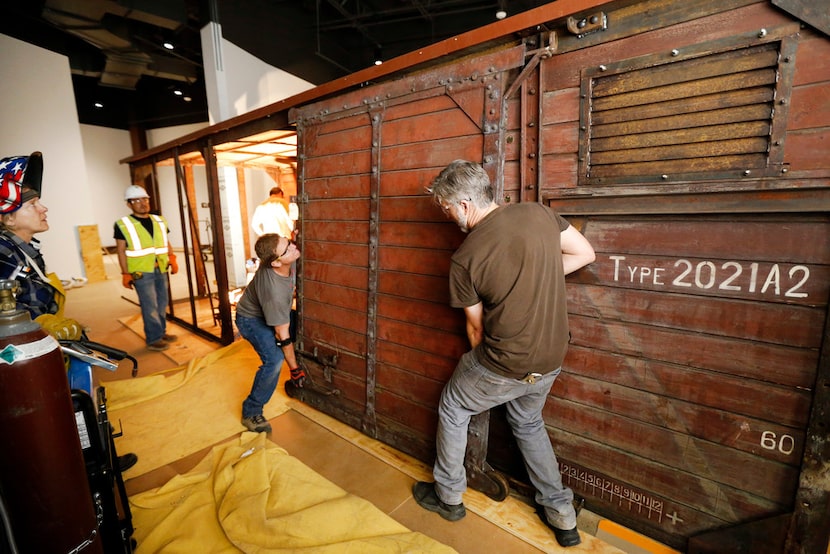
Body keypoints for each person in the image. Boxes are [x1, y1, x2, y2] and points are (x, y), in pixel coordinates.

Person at [412, 160, 596, 548]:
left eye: (445, 207)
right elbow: (584, 254)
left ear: (463, 205)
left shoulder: (465, 258)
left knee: (454, 407)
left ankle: (448, 497)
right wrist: (536, 275)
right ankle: (562, 516)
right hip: (551, 358)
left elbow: (476, 330)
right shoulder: (538, 213)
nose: (447, 215)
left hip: (506, 363)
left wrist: (487, 378)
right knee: (528, 423)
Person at [0, 152, 138, 472]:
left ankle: (95, 462)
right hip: (28, 364)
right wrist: (38, 325)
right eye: (32, 205)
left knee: (78, 409)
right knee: (60, 420)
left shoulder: (25, 250)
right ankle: (86, 474)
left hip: (47, 351)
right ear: (7, 216)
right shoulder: (4, 254)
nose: (44, 208)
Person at [235, 233, 306, 433]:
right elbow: (282, 335)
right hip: (250, 319)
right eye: (287, 249)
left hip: (269, 311)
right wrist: (294, 369)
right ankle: (251, 411)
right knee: (274, 360)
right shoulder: (273, 292)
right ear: (275, 263)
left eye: (289, 242)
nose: (293, 247)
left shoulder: (278, 258)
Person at [114, 185, 179, 352]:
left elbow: (166, 240)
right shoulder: (123, 224)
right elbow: (121, 250)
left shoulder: (159, 220)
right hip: (141, 272)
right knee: (149, 305)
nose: (142, 203)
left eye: (144, 199)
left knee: (162, 303)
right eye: (136, 200)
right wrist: (125, 273)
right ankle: (154, 338)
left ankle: (161, 332)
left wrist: (172, 257)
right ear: (129, 204)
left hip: (161, 268)